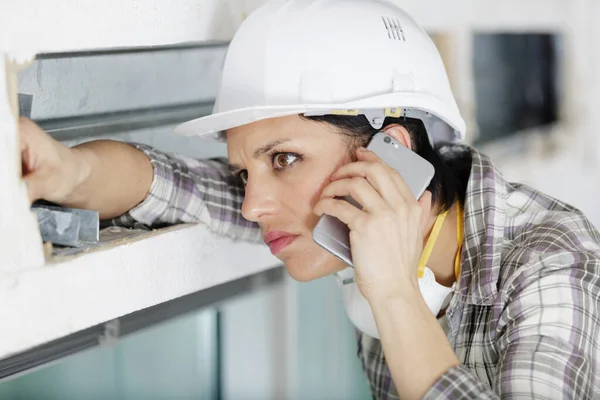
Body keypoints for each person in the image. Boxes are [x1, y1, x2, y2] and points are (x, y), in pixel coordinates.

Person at [18, 0, 600, 398]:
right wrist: (65, 171)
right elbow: (171, 185)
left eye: (284, 159)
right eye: (247, 171)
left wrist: (395, 293)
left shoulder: (550, 260)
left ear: (387, 154)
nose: (252, 205)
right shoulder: (335, 221)